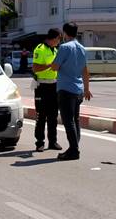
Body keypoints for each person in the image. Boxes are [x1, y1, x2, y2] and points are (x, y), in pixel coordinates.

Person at [49, 22, 92, 161]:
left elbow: (55, 67)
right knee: (76, 120)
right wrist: (87, 89)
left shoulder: (64, 47)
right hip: (78, 89)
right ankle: (75, 146)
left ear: (65, 33)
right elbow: (85, 71)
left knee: (68, 121)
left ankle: (74, 150)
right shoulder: (82, 48)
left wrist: (52, 64)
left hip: (66, 89)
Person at [31, 28, 62, 152]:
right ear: (54, 38)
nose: (59, 41)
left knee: (53, 116)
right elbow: (35, 68)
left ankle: (53, 141)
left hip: (54, 85)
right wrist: (50, 66)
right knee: (41, 115)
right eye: (59, 39)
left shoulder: (55, 50)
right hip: (42, 86)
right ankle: (39, 142)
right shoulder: (40, 49)